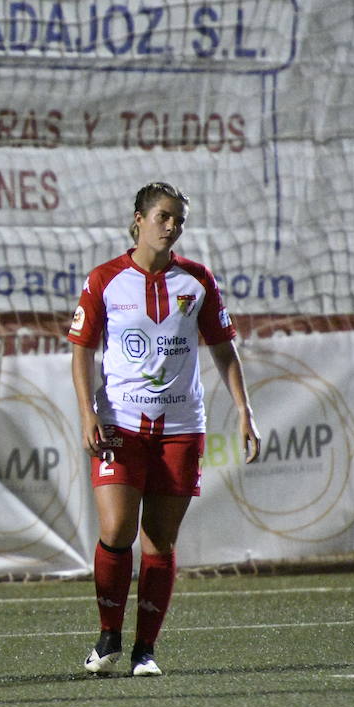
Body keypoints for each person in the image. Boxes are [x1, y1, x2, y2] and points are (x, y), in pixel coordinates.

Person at [67, 181, 260, 677]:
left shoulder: (197, 281)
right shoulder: (104, 279)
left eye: (178, 220)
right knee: (115, 531)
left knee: (160, 542)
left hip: (180, 428)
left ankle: (144, 649)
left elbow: (222, 347)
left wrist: (244, 410)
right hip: (120, 425)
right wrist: (88, 412)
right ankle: (109, 634)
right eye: (163, 217)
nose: (171, 227)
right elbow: (82, 348)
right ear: (138, 219)